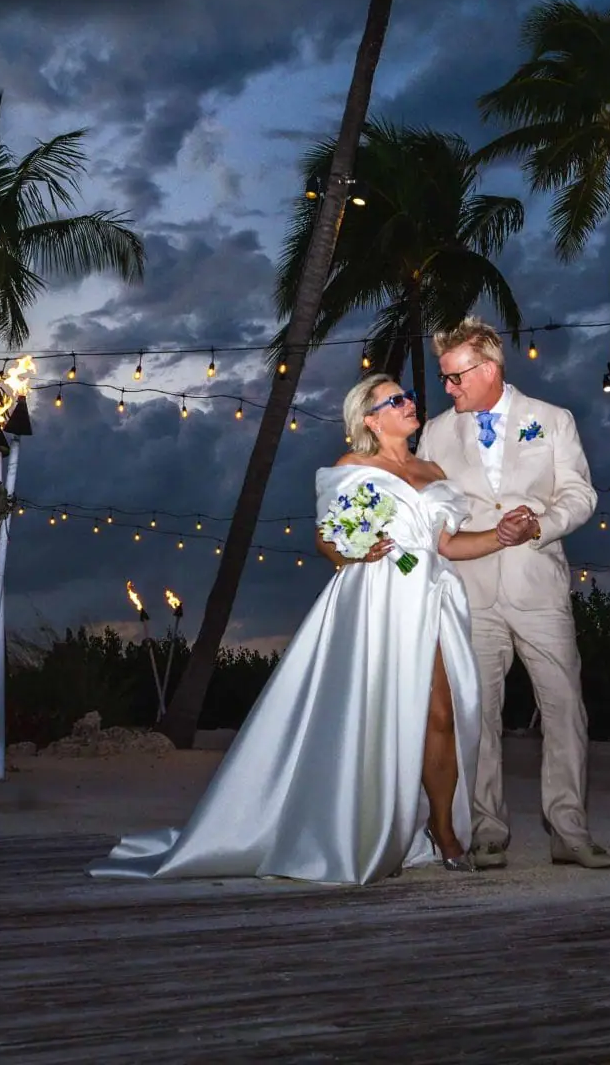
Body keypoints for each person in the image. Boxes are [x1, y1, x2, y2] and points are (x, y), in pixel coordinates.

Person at [90, 374, 516, 884]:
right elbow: (327, 540)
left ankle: (444, 830)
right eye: (395, 399)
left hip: (432, 596)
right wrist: (353, 548)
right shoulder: (352, 468)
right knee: (375, 713)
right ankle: (358, 828)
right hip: (377, 600)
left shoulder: (432, 470)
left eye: (407, 396)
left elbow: (448, 546)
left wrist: (502, 536)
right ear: (370, 419)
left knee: (441, 715)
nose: (409, 403)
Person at [416, 317, 610, 870]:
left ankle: (570, 831)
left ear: (488, 369)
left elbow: (580, 495)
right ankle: (486, 830)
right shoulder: (435, 433)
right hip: (470, 592)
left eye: (456, 378)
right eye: (445, 378)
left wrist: (539, 524)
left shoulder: (552, 420)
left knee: (564, 709)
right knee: (476, 714)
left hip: (539, 587)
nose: (448, 388)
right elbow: (430, 510)